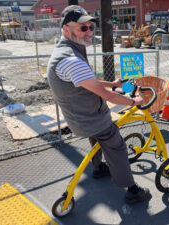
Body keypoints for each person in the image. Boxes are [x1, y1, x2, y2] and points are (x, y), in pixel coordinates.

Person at [47, 5, 151, 204]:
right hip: (90, 118)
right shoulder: (71, 59)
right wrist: (133, 101)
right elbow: (108, 97)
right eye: (82, 28)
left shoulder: (66, 51)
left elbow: (87, 81)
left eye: (89, 27)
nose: (88, 32)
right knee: (117, 146)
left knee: (97, 140)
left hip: (82, 117)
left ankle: (98, 168)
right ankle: (132, 190)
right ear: (65, 29)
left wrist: (112, 83)